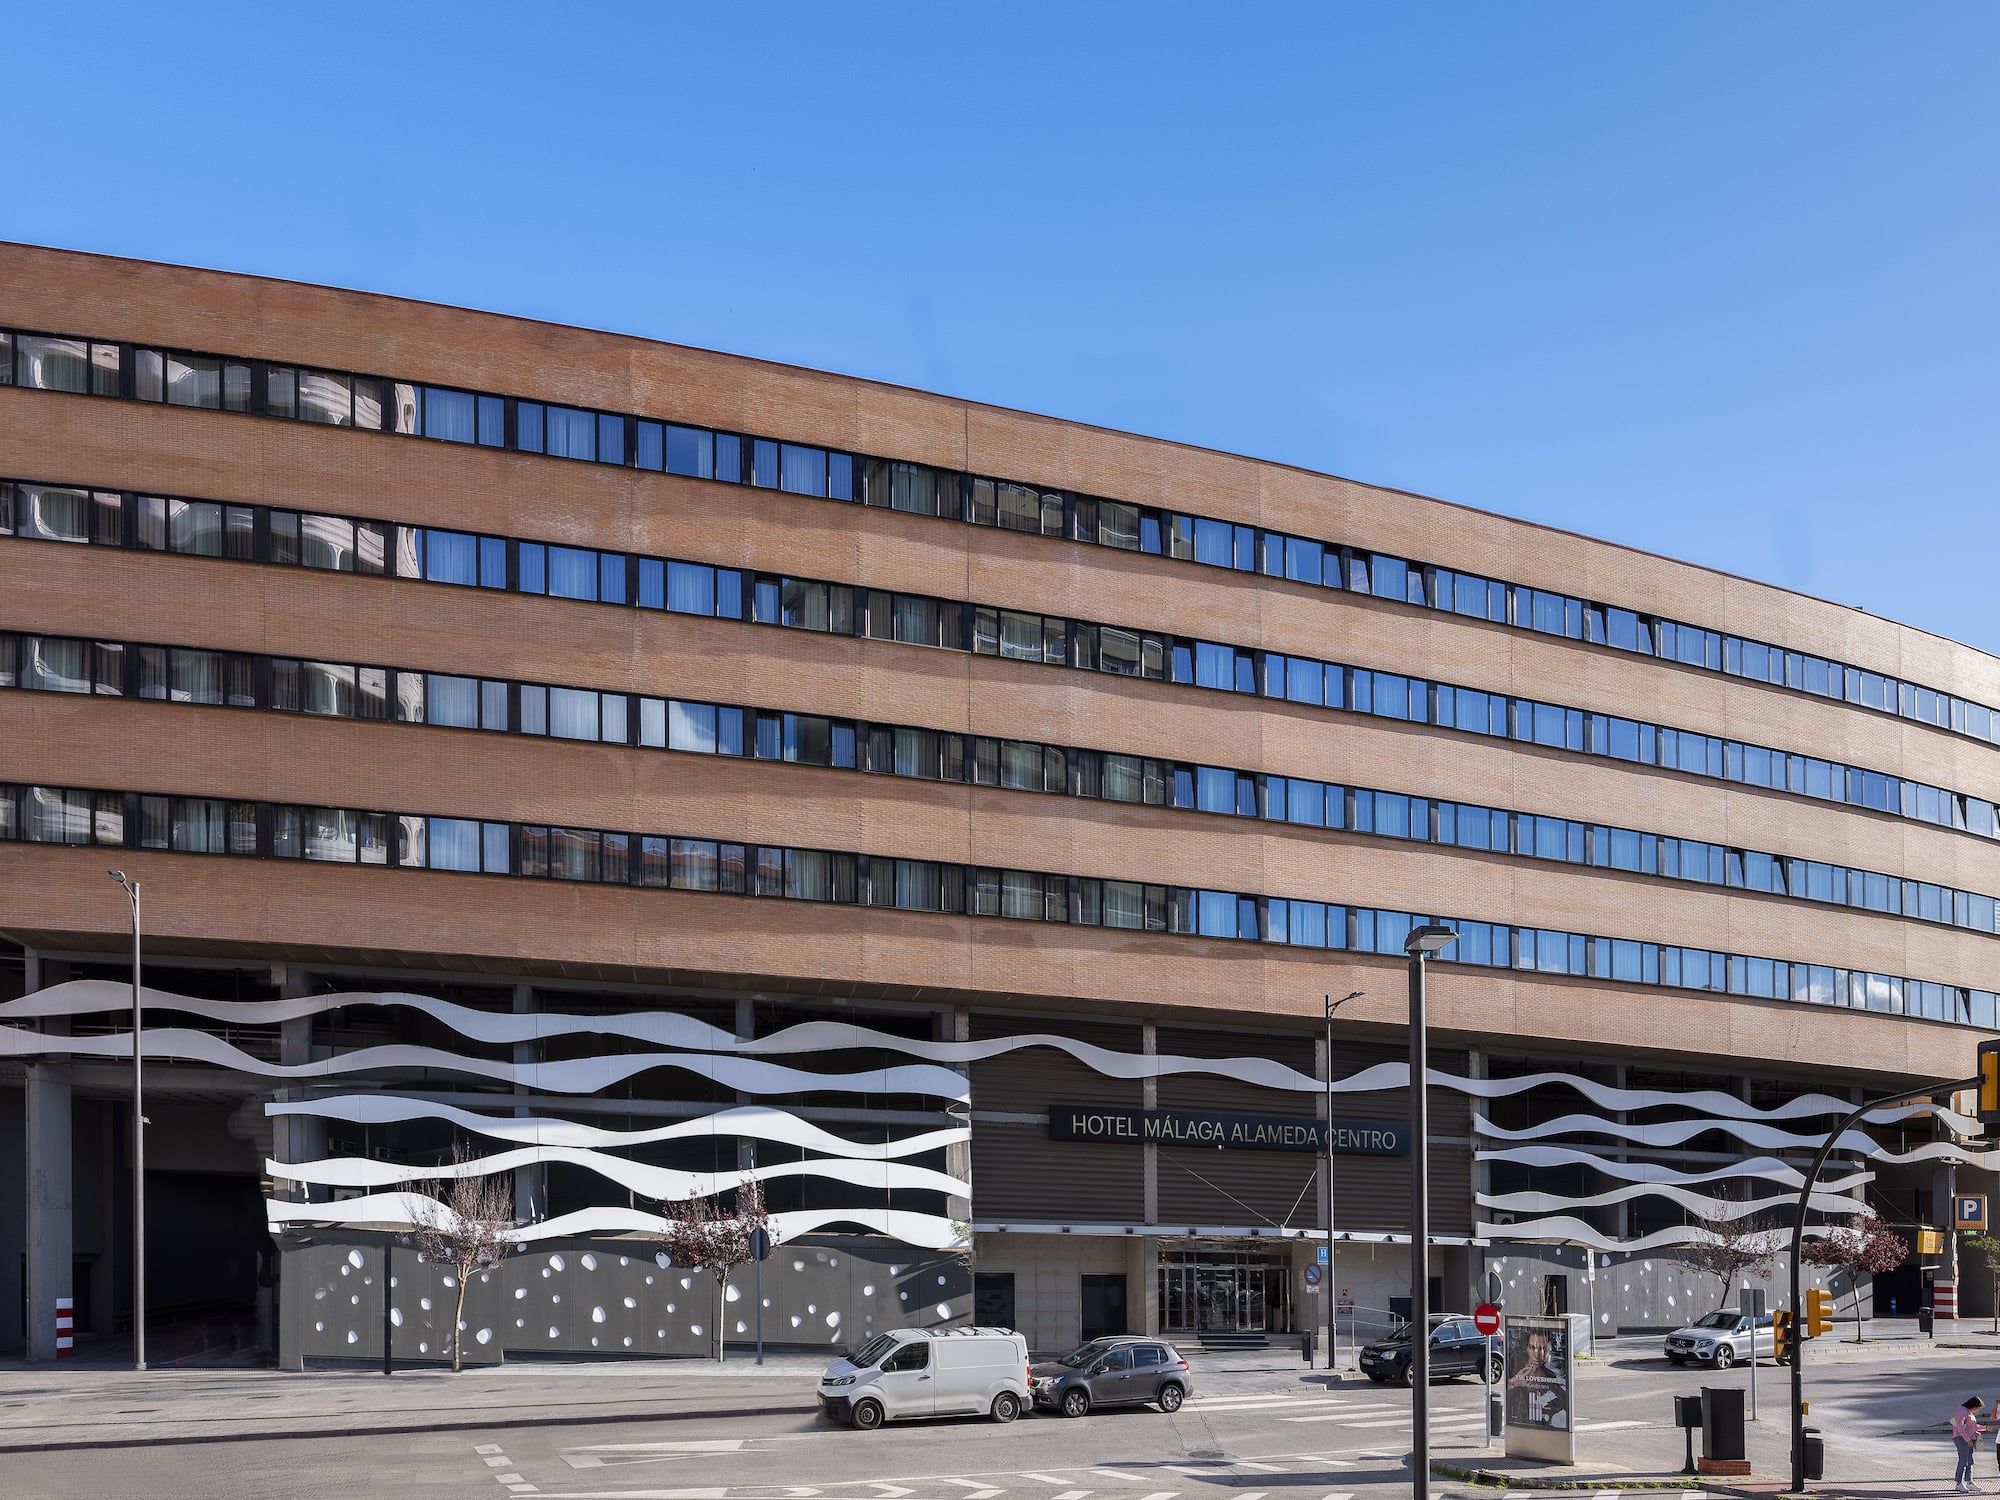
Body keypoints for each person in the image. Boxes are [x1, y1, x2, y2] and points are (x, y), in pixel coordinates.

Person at [1953, 1395, 1989, 1492]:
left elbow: (1972, 1426)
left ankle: (1969, 1481)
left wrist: (1985, 1428)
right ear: (1973, 1405)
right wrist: (1967, 1439)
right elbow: (1959, 1427)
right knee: (1964, 1461)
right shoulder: (1962, 1411)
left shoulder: (1969, 1412)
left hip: (1969, 1438)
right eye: (1978, 1408)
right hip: (1961, 1438)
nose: (1978, 1410)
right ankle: (1959, 1483)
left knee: (1970, 1461)